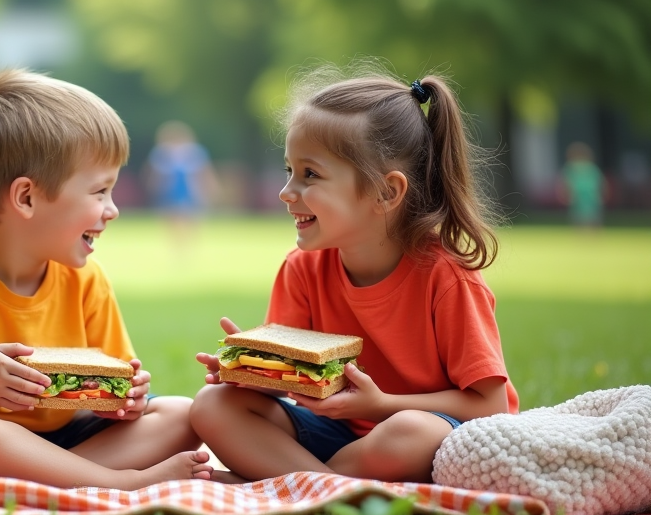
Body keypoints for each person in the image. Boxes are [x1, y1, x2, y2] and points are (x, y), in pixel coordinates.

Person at [0, 68, 212, 488]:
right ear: (27, 197)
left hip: (60, 440)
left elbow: (111, 388)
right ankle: (115, 483)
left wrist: (124, 399)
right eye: (99, 192)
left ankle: (52, 478)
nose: (112, 209)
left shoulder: (87, 279)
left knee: (180, 412)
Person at [191, 73, 519, 484]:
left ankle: (289, 484)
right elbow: (299, 383)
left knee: (408, 431)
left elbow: (489, 407)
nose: (286, 191)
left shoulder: (448, 278)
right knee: (211, 404)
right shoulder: (302, 268)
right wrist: (253, 371)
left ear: (386, 192)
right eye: (289, 170)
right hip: (338, 435)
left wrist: (380, 404)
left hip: (422, 433)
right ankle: (327, 487)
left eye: (310, 175)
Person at [142, 120, 218, 240]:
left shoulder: (194, 152)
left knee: (192, 215)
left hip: (190, 189)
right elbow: (155, 174)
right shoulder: (161, 153)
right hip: (169, 190)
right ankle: (177, 240)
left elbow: (204, 172)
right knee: (172, 216)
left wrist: (209, 187)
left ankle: (188, 240)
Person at [558, 141, 608, 229]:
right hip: (578, 197)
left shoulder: (591, 167)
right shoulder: (571, 167)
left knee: (592, 217)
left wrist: (601, 195)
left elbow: (600, 183)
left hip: (590, 197)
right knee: (578, 217)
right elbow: (565, 183)